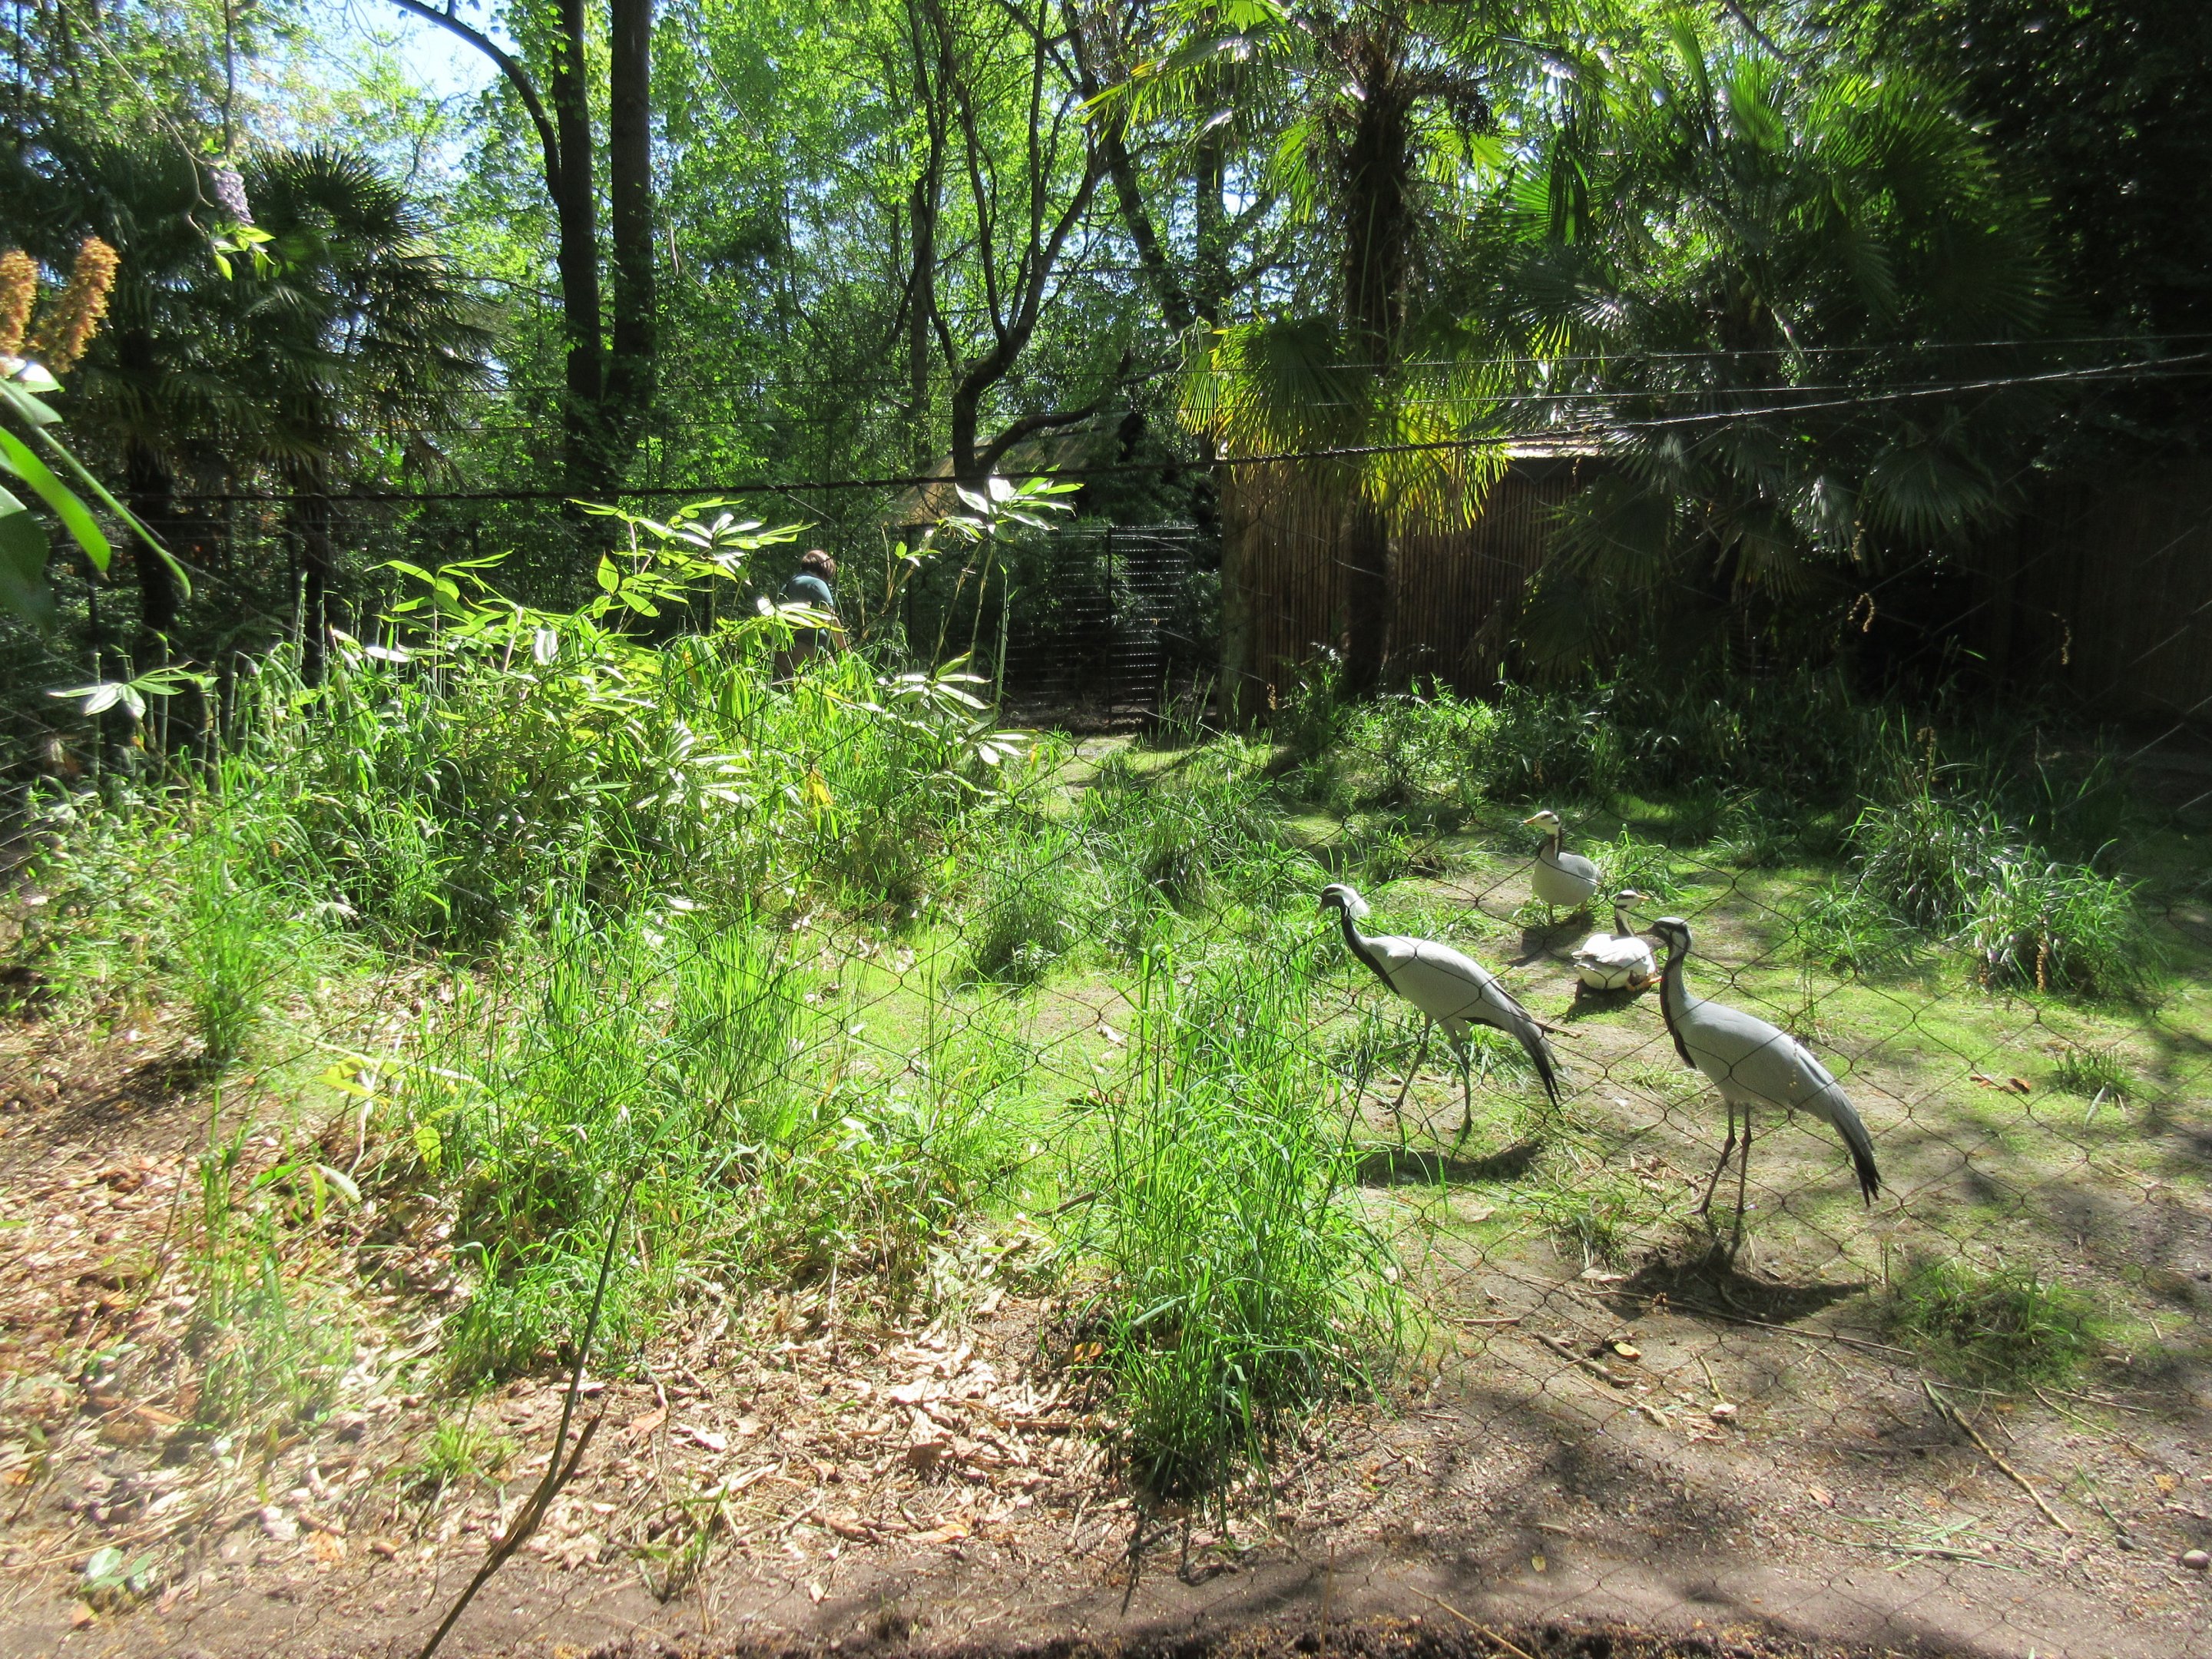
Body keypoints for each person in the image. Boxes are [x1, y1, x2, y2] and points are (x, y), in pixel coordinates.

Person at [777, 548, 842, 677]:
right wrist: (845, 650)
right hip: (810, 651)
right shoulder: (817, 584)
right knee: (836, 683)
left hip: (782, 655)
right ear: (826, 569)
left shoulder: (788, 586)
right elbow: (830, 617)